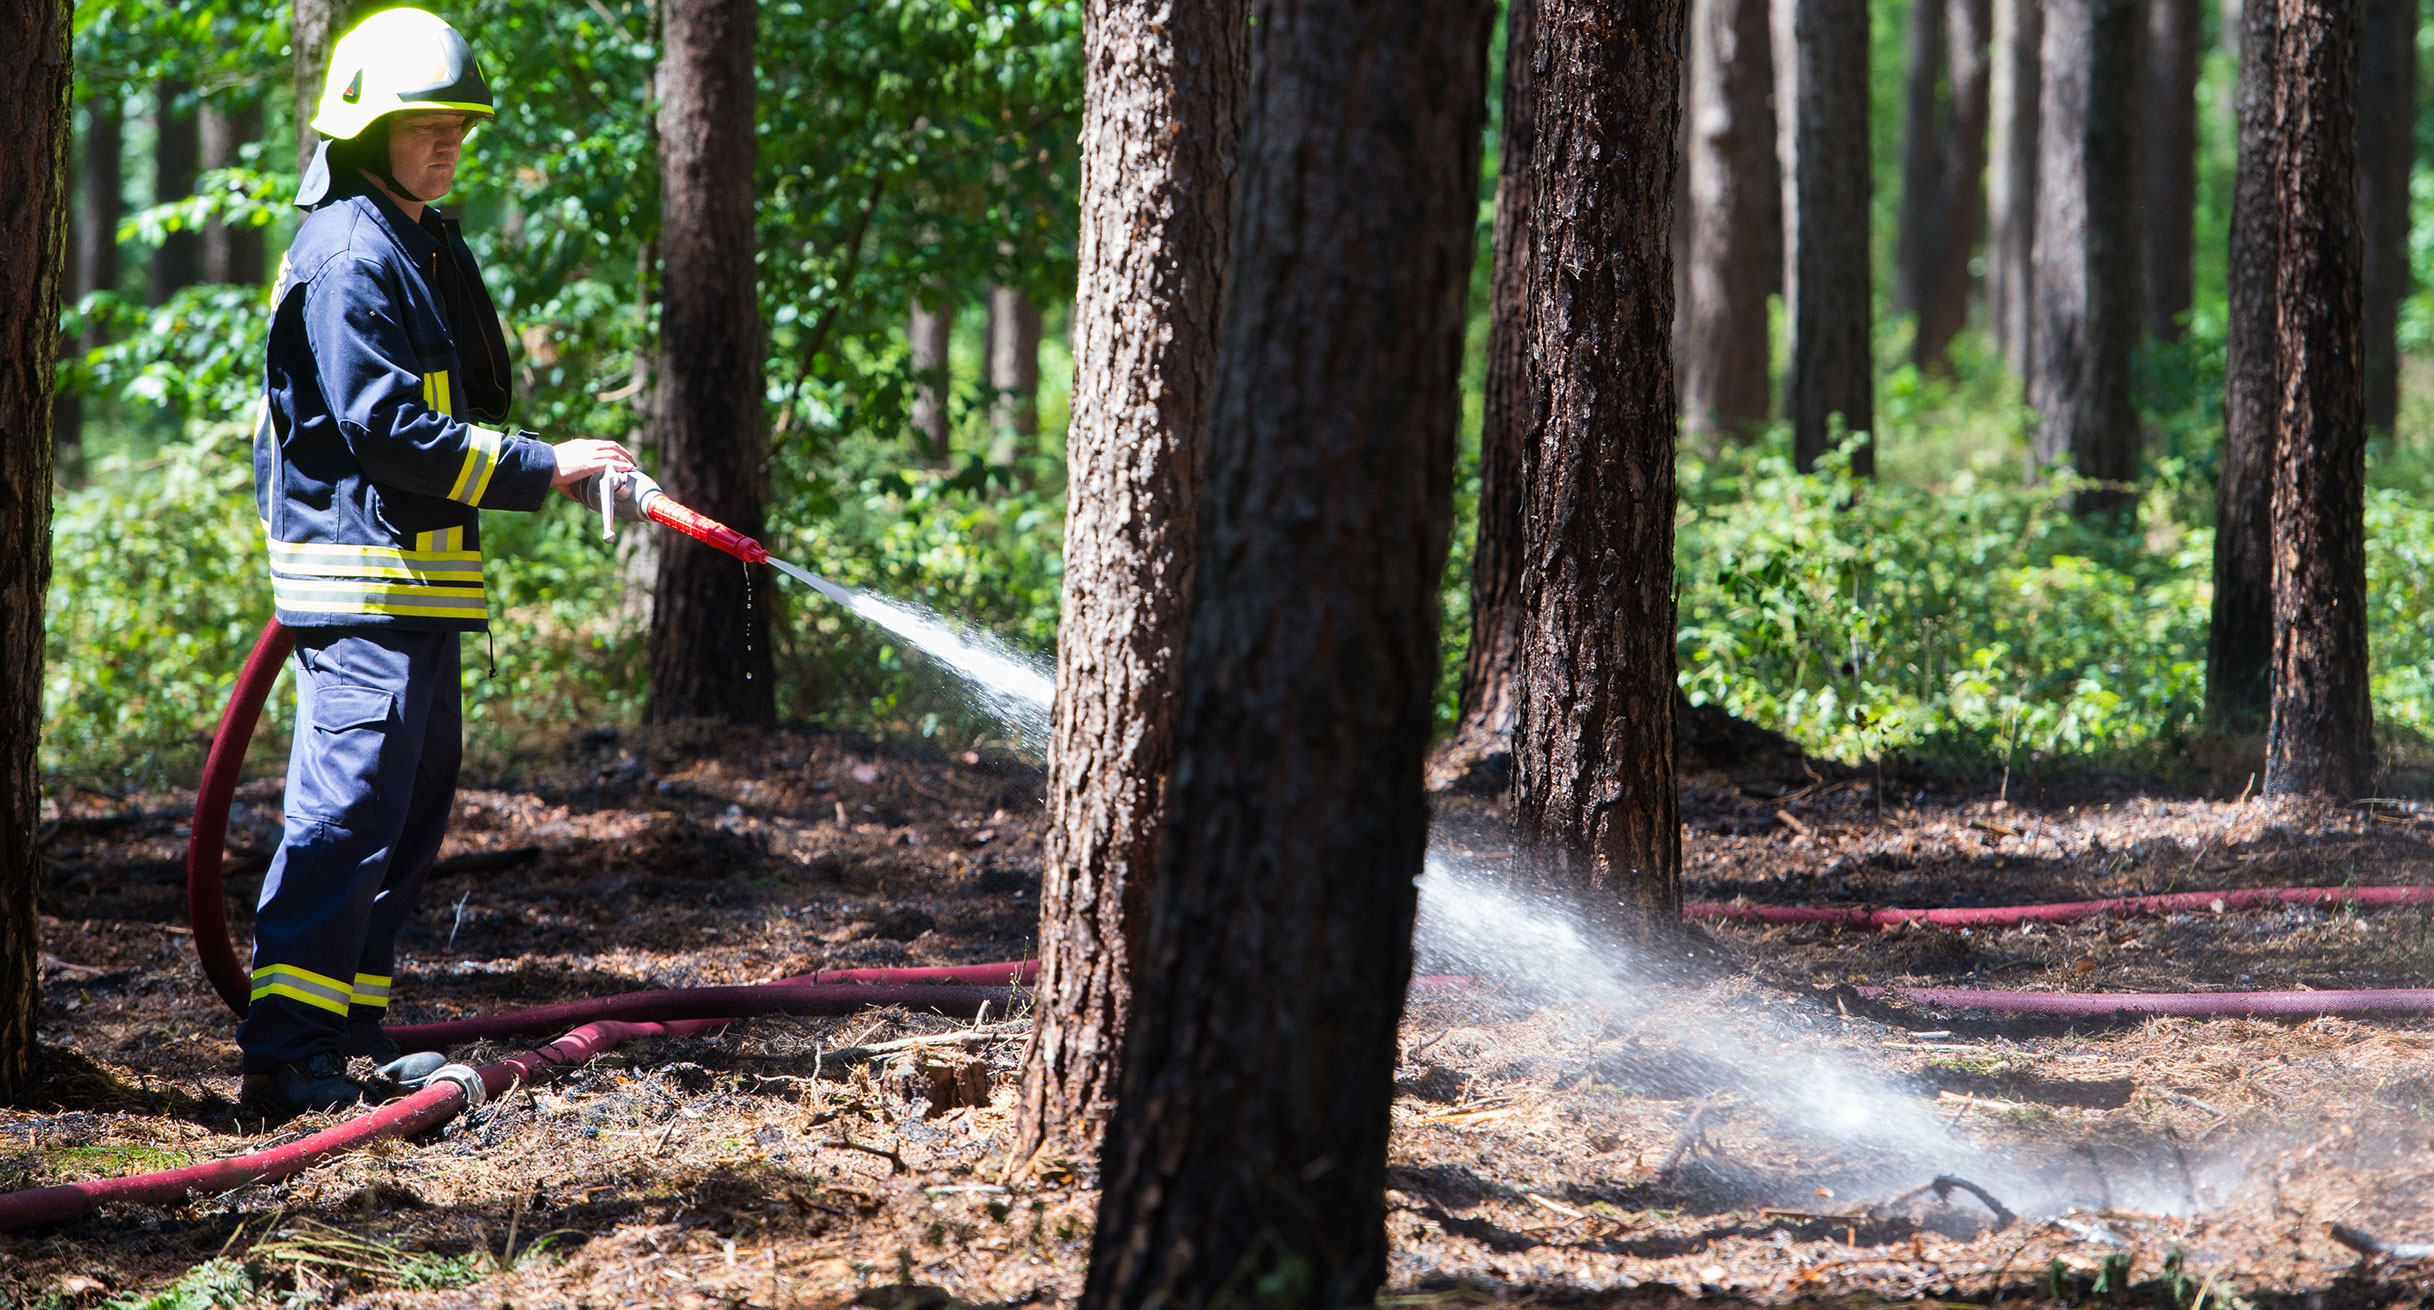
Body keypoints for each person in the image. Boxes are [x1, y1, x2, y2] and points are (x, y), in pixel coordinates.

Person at [243, 7, 635, 1116]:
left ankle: (345, 1039)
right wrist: (539, 465)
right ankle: (286, 1056)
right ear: (367, 125)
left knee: (406, 815)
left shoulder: (413, 235)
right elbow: (386, 432)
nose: (451, 137)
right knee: (348, 809)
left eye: (461, 119)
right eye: (428, 121)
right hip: (360, 585)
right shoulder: (351, 251)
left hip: (417, 586)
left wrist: (540, 464)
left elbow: (455, 409)